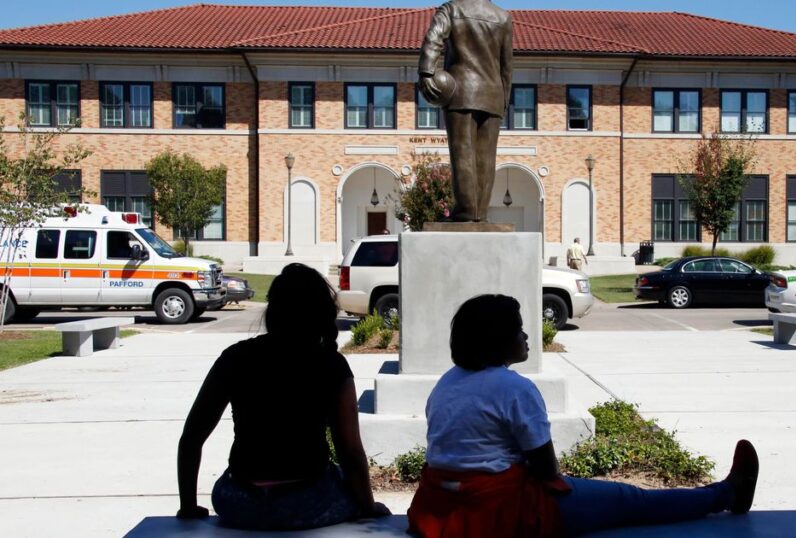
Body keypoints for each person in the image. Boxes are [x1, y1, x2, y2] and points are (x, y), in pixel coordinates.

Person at [407, 295, 759, 537]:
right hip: (505, 512)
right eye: (518, 329)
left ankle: (723, 493)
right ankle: (726, 494)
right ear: (498, 340)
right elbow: (547, 470)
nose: (526, 335)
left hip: (441, 505)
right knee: (631, 499)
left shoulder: (446, 383)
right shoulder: (513, 388)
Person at [176, 263, 390, 530]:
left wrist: (187, 506)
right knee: (338, 479)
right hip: (308, 502)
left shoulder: (235, 357)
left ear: (273, 310)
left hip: (240, 503)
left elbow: (192, 437)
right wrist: (368, 506)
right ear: (321, 314)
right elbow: (349, 450)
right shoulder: (331, 364)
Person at [418, 0, 513, 222]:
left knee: (463, 153)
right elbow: (507, 66)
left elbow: (434, 39)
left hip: (461, 92)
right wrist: (504, 100)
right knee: (486, 159)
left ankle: (466, 211)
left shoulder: (452, 9)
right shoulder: (503, 17)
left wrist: (426, 71)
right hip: (494, 95)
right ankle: (480, 212)